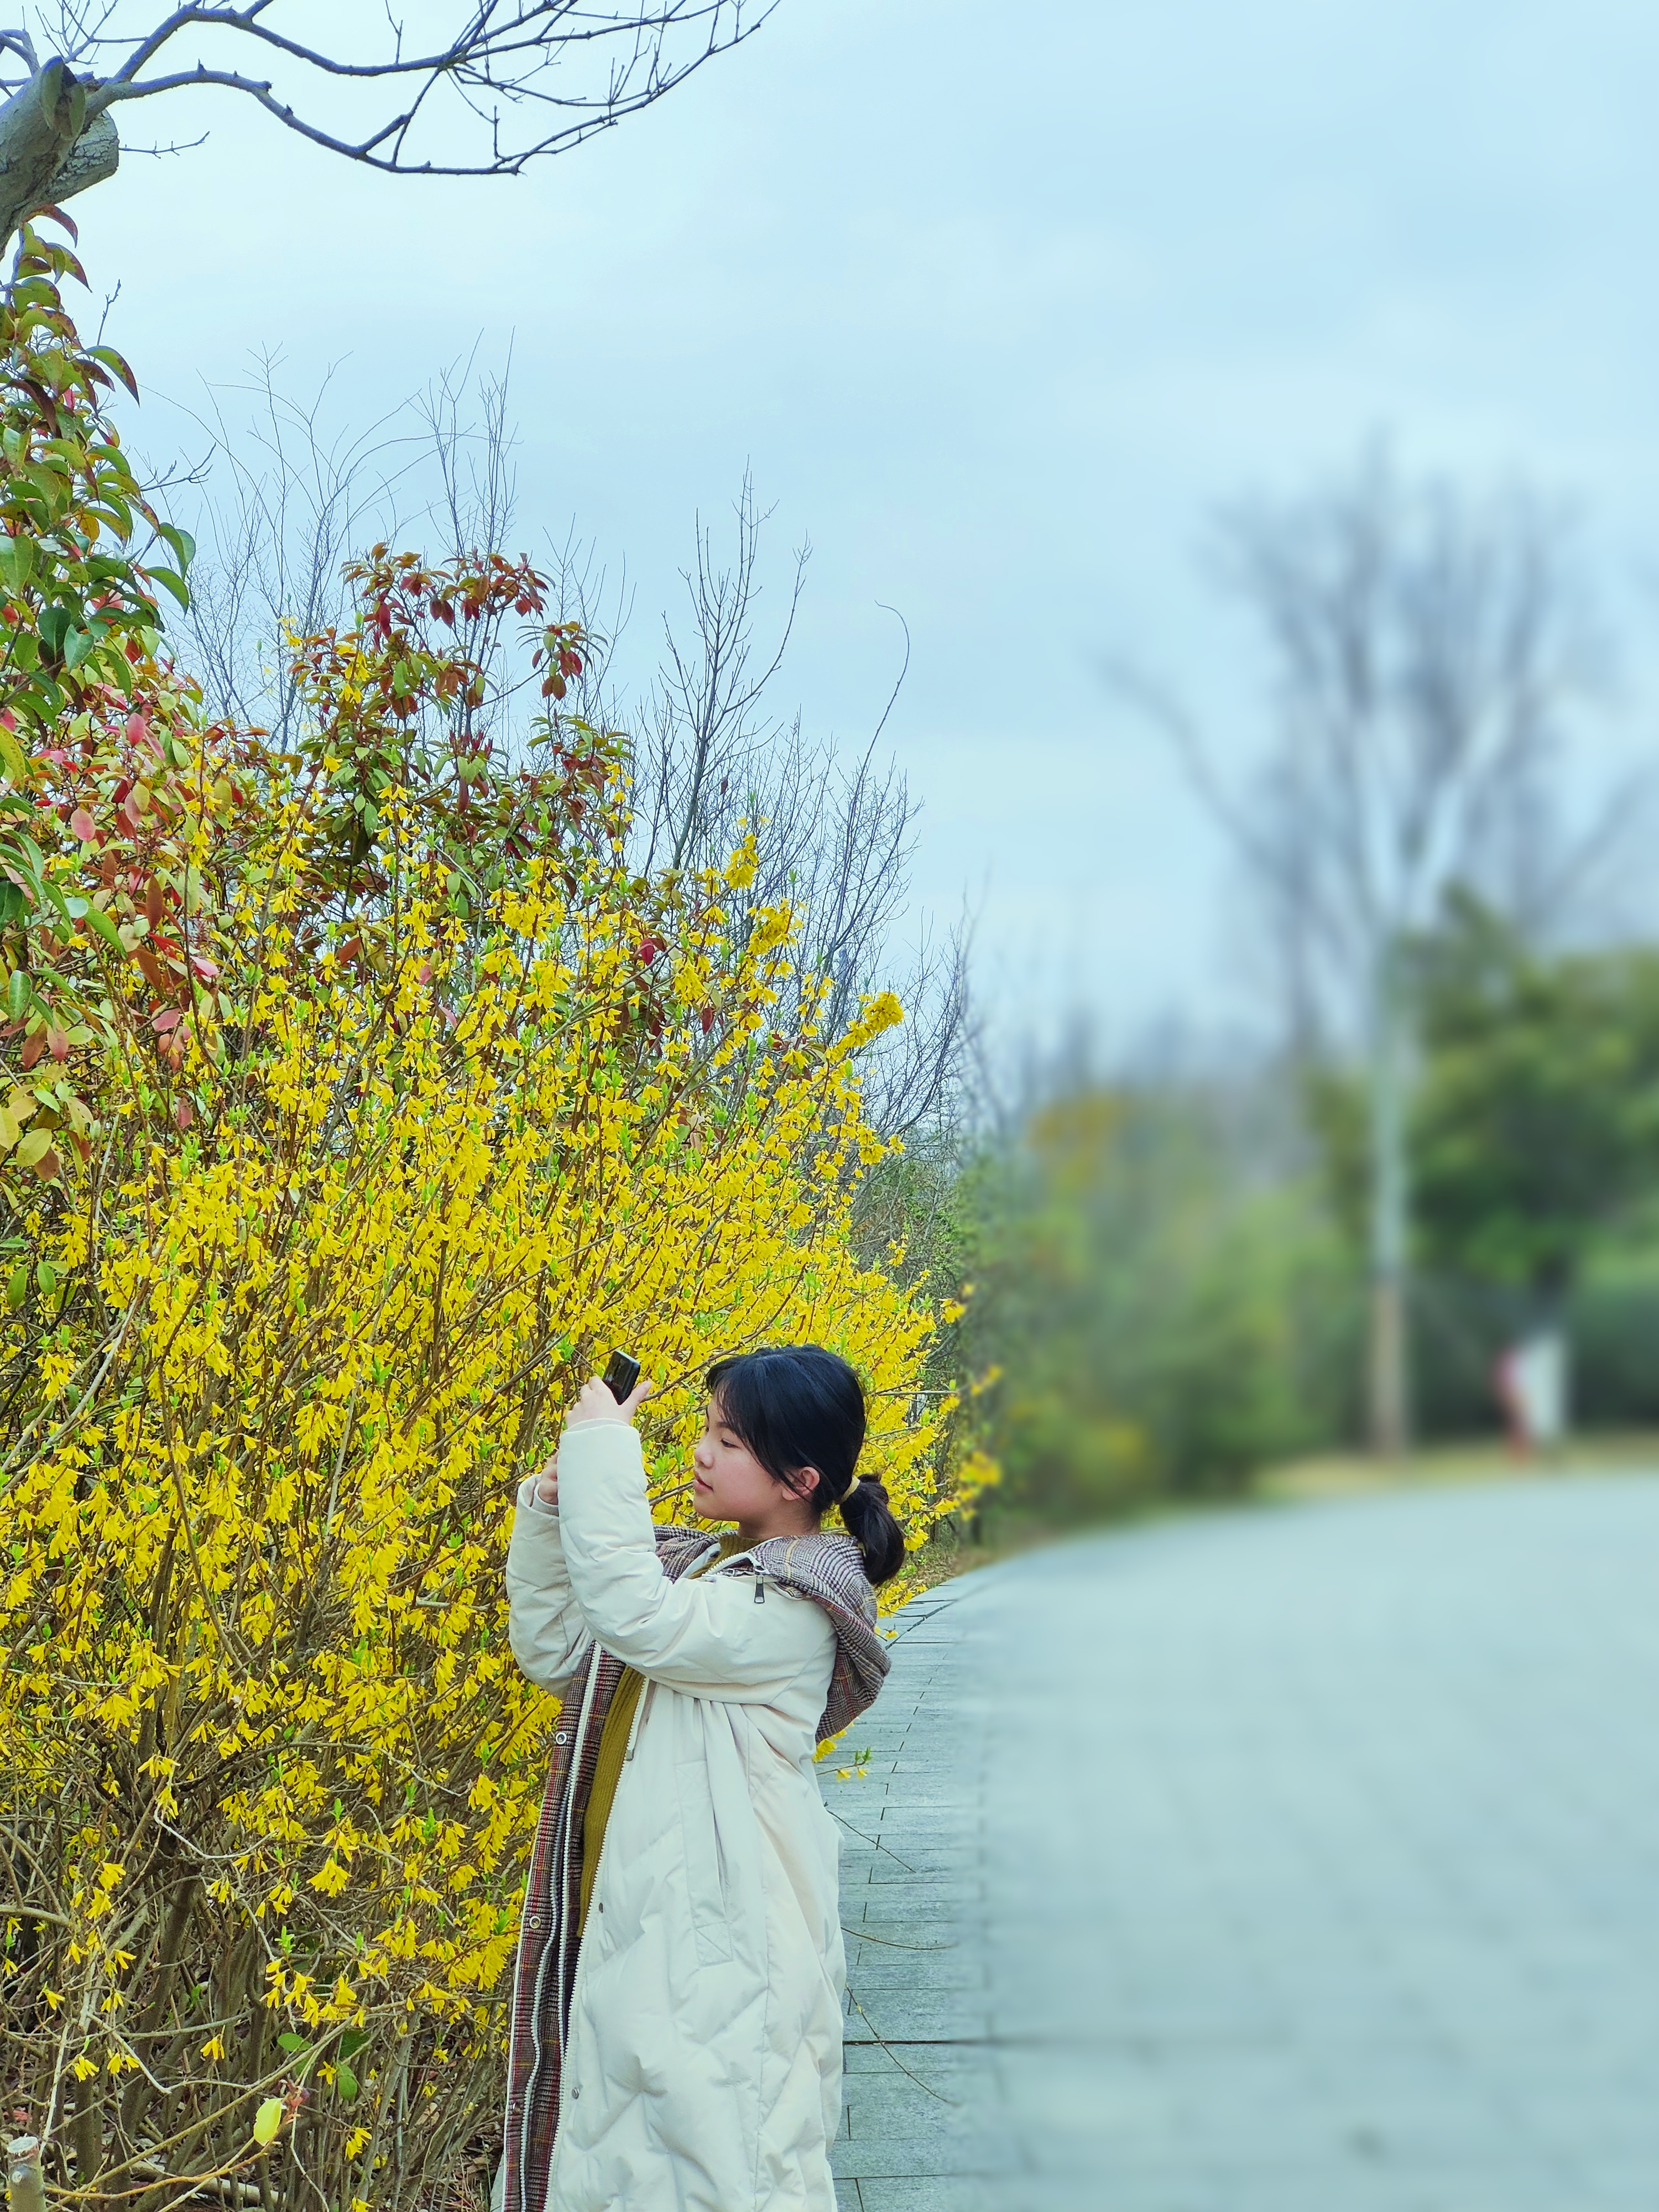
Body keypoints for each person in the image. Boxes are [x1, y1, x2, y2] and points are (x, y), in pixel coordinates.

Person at [500, 1344, 907, 2212]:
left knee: (723, 2171)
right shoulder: (702, 1568)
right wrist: (549, 1507)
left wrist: (606, 1449)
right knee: (620, 2164)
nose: (700, 1453)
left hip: (722, 1948)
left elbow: (636, 1614)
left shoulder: (795, 1606)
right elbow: (560, 1649)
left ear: (799, 1478)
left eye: (728, 1440)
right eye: (706, 1430)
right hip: (640, 1917)